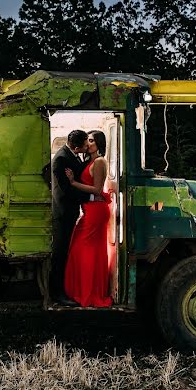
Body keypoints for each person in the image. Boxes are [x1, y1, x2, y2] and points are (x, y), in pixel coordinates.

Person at [64, 129, 117, 308]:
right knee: (85, 250)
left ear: (99, 144)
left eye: (92, 141)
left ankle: (90, 293)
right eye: (87, 140)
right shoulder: (89, 161)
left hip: (96, 211)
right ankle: (84, 291)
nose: (88, 144)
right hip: (90, 210)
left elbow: (96, 189)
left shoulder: (100, 161)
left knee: (83, 250)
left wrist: (73, 183)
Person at [49, 129, 91, 306]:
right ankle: (57, 293)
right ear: (75, 146)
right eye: (85, 145)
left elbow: (79, 171)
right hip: (63, 212)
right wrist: (91, 197)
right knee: (59, 253)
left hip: (69, 211)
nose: (87, 146)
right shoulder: (61, 159)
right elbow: (66, 189)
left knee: (64, 251)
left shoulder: (70, 154)